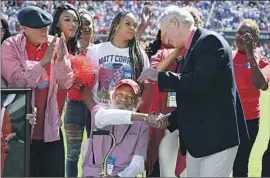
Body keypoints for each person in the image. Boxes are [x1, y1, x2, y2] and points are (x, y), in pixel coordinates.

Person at [138, 5, 248, 177]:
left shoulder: (210, 41)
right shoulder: (192, 48)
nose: (164, 38)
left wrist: (160, 76)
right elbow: (192, 96)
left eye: (165, 32)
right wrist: (169, 119)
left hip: (216, 138)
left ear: (175, 23)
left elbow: (198, 82)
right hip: (199, 140)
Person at [1, 6, 74, 177]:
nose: (44, 31)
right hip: (20, 128)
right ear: (24, 29)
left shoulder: (55, 43)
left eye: (46, 27)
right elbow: (17, 83)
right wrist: (43, 63)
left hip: (50, 127)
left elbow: (66, 83)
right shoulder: (10, 46)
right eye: (39, 27)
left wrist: (62, 60)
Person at [81, 11, 150, 111]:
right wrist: (94, 111)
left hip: (126, 117)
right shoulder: (95, 50)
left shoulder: (140, 55)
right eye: (127, 24)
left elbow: (145, 89)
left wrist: (133, 112)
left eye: (135, 26)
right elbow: (84, 87)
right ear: (117, 25)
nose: (132, 28)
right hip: (100, 115)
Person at [82, 79, 148, 177]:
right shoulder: (100, 111)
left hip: (121, 174)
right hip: (94, 173)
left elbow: (138, 162)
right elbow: (101, 118)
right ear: (113, 96)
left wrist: (118, 176)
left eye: (129, 97)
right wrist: (145, 117)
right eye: (120, 94)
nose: (123, 99)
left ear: (135, 103)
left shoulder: (141, 126)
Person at [232, 19, 270, 177]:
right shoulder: (227, 55)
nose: (240, 37)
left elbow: (261, 85)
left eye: (245, 34)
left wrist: (250, 56)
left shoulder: (262, 61)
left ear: (254, 39)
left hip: (249, 120)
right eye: (239, 33)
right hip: (226, 118)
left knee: (240, 165)